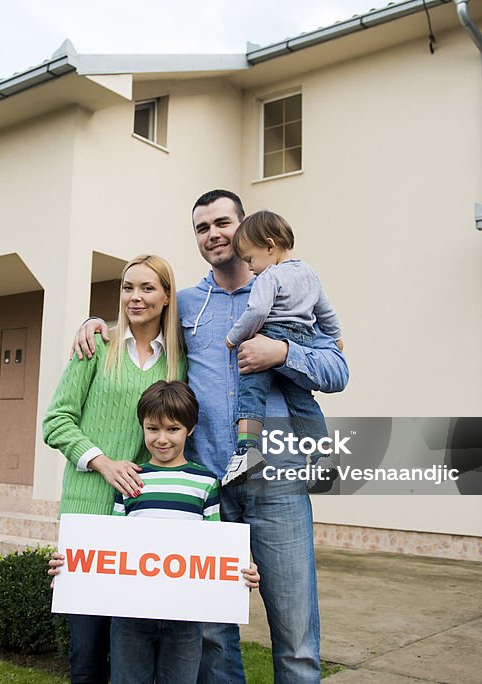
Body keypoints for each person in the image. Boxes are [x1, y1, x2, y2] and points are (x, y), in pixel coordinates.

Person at [73, 190, 349, 683]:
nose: (213, 234)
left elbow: (337, 370)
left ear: (246, 231)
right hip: (209, 487)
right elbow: (138, 324)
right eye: (202, 227)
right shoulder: (186, 304)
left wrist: (282, 353)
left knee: (295, 636)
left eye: (223, 223)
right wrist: (96, 325)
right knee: (211, 636)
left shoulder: (289, 290)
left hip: (276, 482)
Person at [44, 254, 186, 684]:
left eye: (146, 289)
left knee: (136, 654)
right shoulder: (96, 347)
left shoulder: (179, 362)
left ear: (165, 297)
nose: (135, 298)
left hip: (146, 517)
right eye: (127, 288)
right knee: (86, 655)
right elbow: (56, 421)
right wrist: (102, 462)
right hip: (88, 513)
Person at [108, 380, 258, 684]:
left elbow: (215, 545)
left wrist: (242, 571)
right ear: (142, 427)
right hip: (131, 614)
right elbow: (110, 544)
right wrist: (72, 567)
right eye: (153, 429)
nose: (162, 439)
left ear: (189, 429)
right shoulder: (129, 479)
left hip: (186, 618)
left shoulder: (205, 482)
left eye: (172, 429)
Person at [222, 209, 343, 488]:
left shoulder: (269, 276)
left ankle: (247, 452)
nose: (250, 267)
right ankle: (322, 456)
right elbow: (326, 312)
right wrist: (336, 337)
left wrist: (233, 337)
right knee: (303, 403)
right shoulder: (310, 273)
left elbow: (257, 312)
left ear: (269, 245)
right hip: (301, 341)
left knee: (251, 393)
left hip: (269, 335)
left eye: (250, 259)